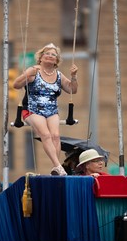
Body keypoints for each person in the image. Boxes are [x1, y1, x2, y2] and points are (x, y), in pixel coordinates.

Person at [13, 43, 79, 175]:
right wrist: (26, 75)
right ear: (41, 57)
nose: (50, 56)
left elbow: (72, 89)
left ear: (56, 60)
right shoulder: (34, 71)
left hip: (51, 110)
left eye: (53, 54)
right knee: (46, 135)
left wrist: (73, 76)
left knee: (55, 136)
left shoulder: (58, 75)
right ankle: (58, 166)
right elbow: (16, 85)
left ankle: (56, 166)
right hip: (32, 109)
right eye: (47, 53)